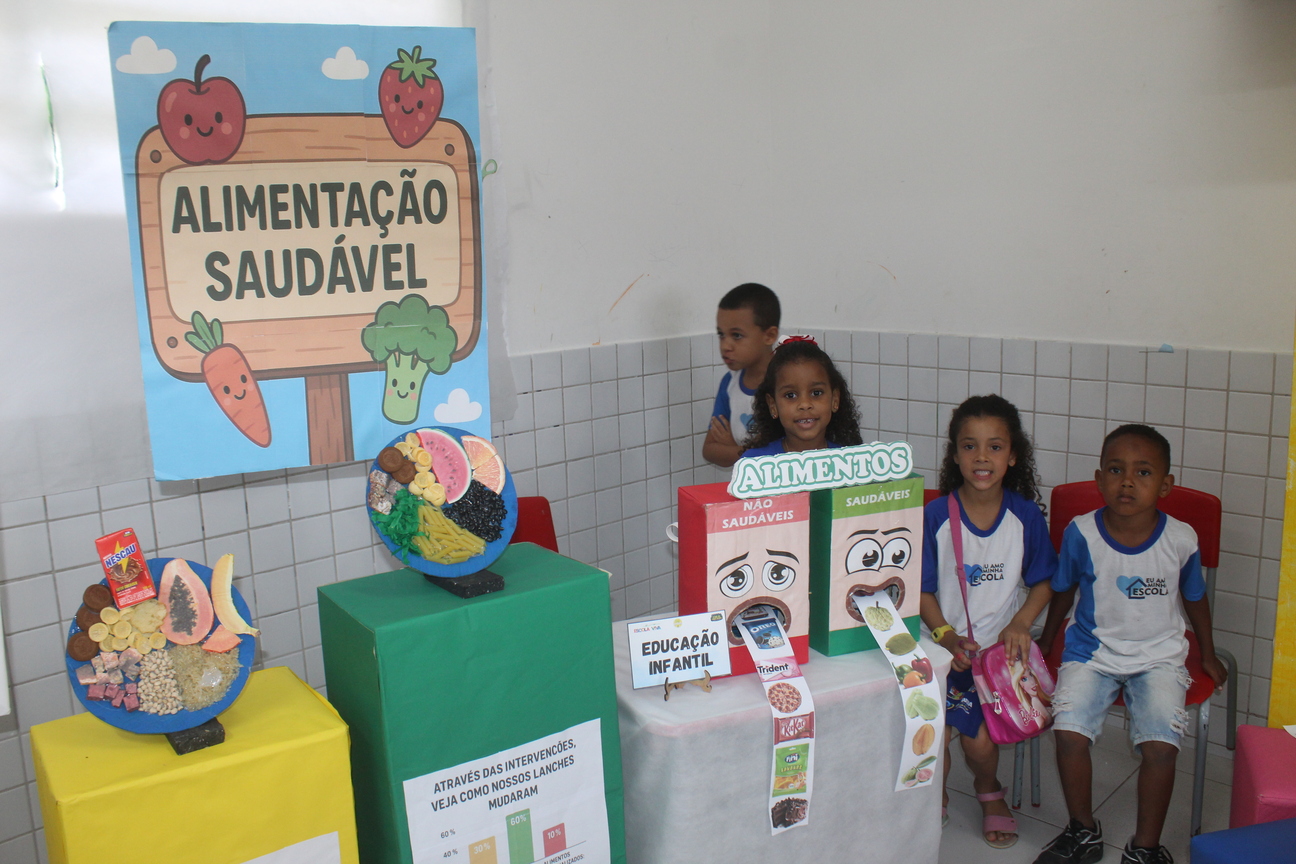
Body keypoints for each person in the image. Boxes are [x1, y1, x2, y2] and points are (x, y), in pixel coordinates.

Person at [1033, 424, 1227, 864]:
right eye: (1116, 470)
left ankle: (1145, 848)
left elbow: (1195, 598)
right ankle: (1082, 830)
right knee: (1068, 734)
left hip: (1159, 658)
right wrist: (1047, 637)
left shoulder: (1181, 539)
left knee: (1160, 746)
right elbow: (1062, 589)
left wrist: (1209, 652)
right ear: (1099, 479)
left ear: (1165, 485)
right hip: (1091, 652)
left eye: (1143, 472)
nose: (1127, 482)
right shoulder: (1082, 532)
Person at [920, 394, 1056, 849]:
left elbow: (1044, 583)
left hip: (996, 662)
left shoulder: (1025, 516)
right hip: (942, 653)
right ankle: (934, 794)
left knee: (978, 744)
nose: (982, 457)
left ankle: (988, 789)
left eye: (994, 447)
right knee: (930, 735)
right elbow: (920, 590)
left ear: (1013, 455)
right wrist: (945, 635)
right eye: (969, 446)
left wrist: (1020, 623)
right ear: (955, 455)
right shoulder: (935, 516)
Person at [738, 337, 861, 457]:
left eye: (816, 393)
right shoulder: (755, 462)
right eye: (790, 395)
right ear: (773, 405)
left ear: (835, 399)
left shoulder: (850, 460)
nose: (805, 404)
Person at [703, 283, 781, 467]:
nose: (725, 346)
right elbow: (710, 450)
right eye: (721, 335)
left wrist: (734, 448)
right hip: (746, 486)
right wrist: (748, 452)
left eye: (736, 335)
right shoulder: (730, 383)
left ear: (769, 336)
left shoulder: (787, 381)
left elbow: (786, 453)